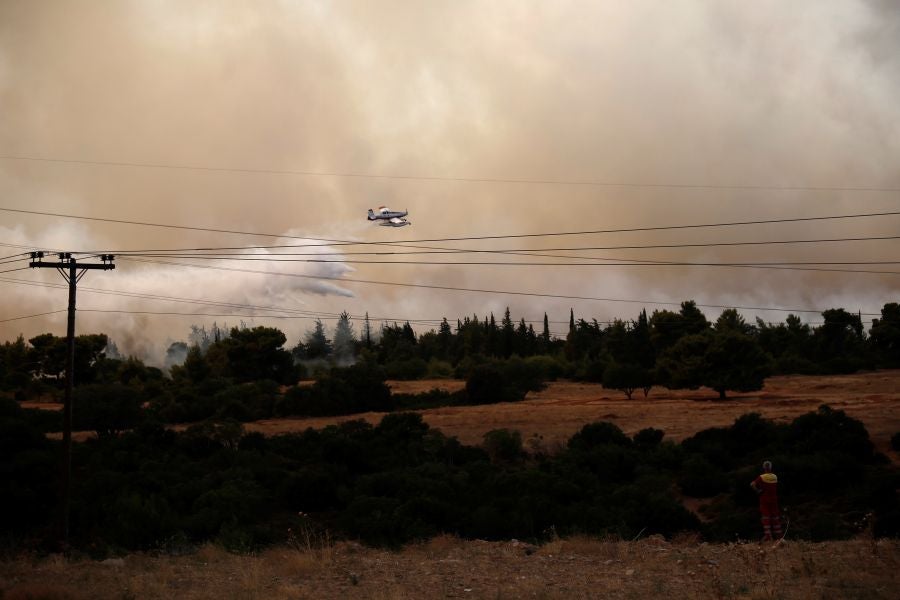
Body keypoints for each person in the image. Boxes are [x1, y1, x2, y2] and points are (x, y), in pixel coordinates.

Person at [750, 460, 782, 542]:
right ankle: (779, 536)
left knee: (765, 517)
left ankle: (768, 536)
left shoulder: (761, 477)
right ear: (771, 467)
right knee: (775, 517)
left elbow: (752, 484)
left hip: (764, 500)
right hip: (774, 500)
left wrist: (758, 491)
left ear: (764, 468)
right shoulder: (775, 477)